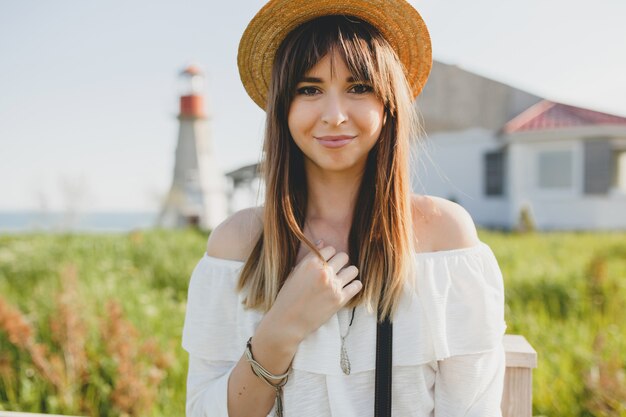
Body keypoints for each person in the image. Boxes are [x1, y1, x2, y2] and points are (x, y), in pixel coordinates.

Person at [182, 1, 506, 416]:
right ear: (283, 108)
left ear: (389, 103)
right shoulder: (238, 244)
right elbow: (203, 411)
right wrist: (282, 327)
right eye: (309, 89)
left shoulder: (445, 239)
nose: (334, 116)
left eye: (358, 88)